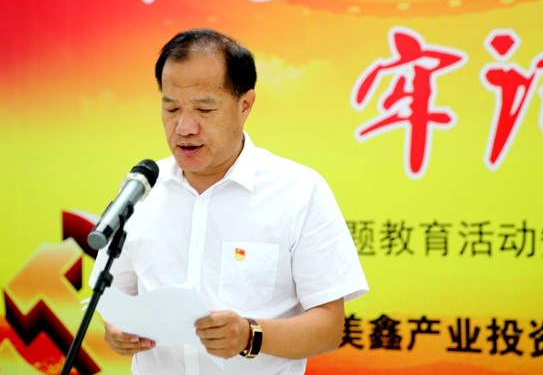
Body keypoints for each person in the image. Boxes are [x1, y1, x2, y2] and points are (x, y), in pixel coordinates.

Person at [90, 28, 368, 375]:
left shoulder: (299, 191)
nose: (184, 127)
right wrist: (117, 332)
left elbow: (329, 328)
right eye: (171, 107)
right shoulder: (142, 190)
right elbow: (113, 298)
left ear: (245, 104)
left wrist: (250, 335)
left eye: (204, 109)